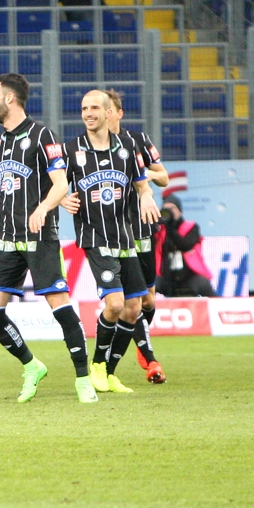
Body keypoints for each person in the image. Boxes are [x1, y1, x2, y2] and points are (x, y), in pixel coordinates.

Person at [0, 73, 98, 404]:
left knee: (60, 307)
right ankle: (32, 365)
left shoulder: (42, 135)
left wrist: (44, 208)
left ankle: (84, 379)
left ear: (10, 99)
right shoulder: (2, 142)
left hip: (39, 238)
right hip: (5, 237)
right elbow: (8, 191)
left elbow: (61, 184)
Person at [60, 90, 160, 395]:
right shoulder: (72, 149)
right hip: (95, 237)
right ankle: (97, 366)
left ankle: (111, 373)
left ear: (108, 113)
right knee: (115, 304)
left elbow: (143, 184)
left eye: (93, 108)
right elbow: (51, 184)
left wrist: (145, 197)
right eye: (83, 109)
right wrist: (63, 197)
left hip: (126, 237)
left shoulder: (128, 146)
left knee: (133, 309)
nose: (88, 113)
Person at [104, 90, 169, 385]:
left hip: (143, 227)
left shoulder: (138, 141)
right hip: (115, 230)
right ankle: (150, 357)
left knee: (147, 300)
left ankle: (138, 340)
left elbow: (164, 176)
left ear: (119, 113)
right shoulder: (93, 147)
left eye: (108, 109)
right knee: (133, 298)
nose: (103, 114)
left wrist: (143, 178)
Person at [154, 194, 217, 297]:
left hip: (190, 277)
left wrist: (170, 226)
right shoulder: (160, 230)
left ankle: (221, 309)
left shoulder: (191, 227)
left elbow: (185, 245)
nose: (170, 211)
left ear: (180, 211)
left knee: (204, 284)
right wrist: (156, 222)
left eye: (173, 208)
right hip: (167, 278)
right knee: (150, 286)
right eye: (166, 209)